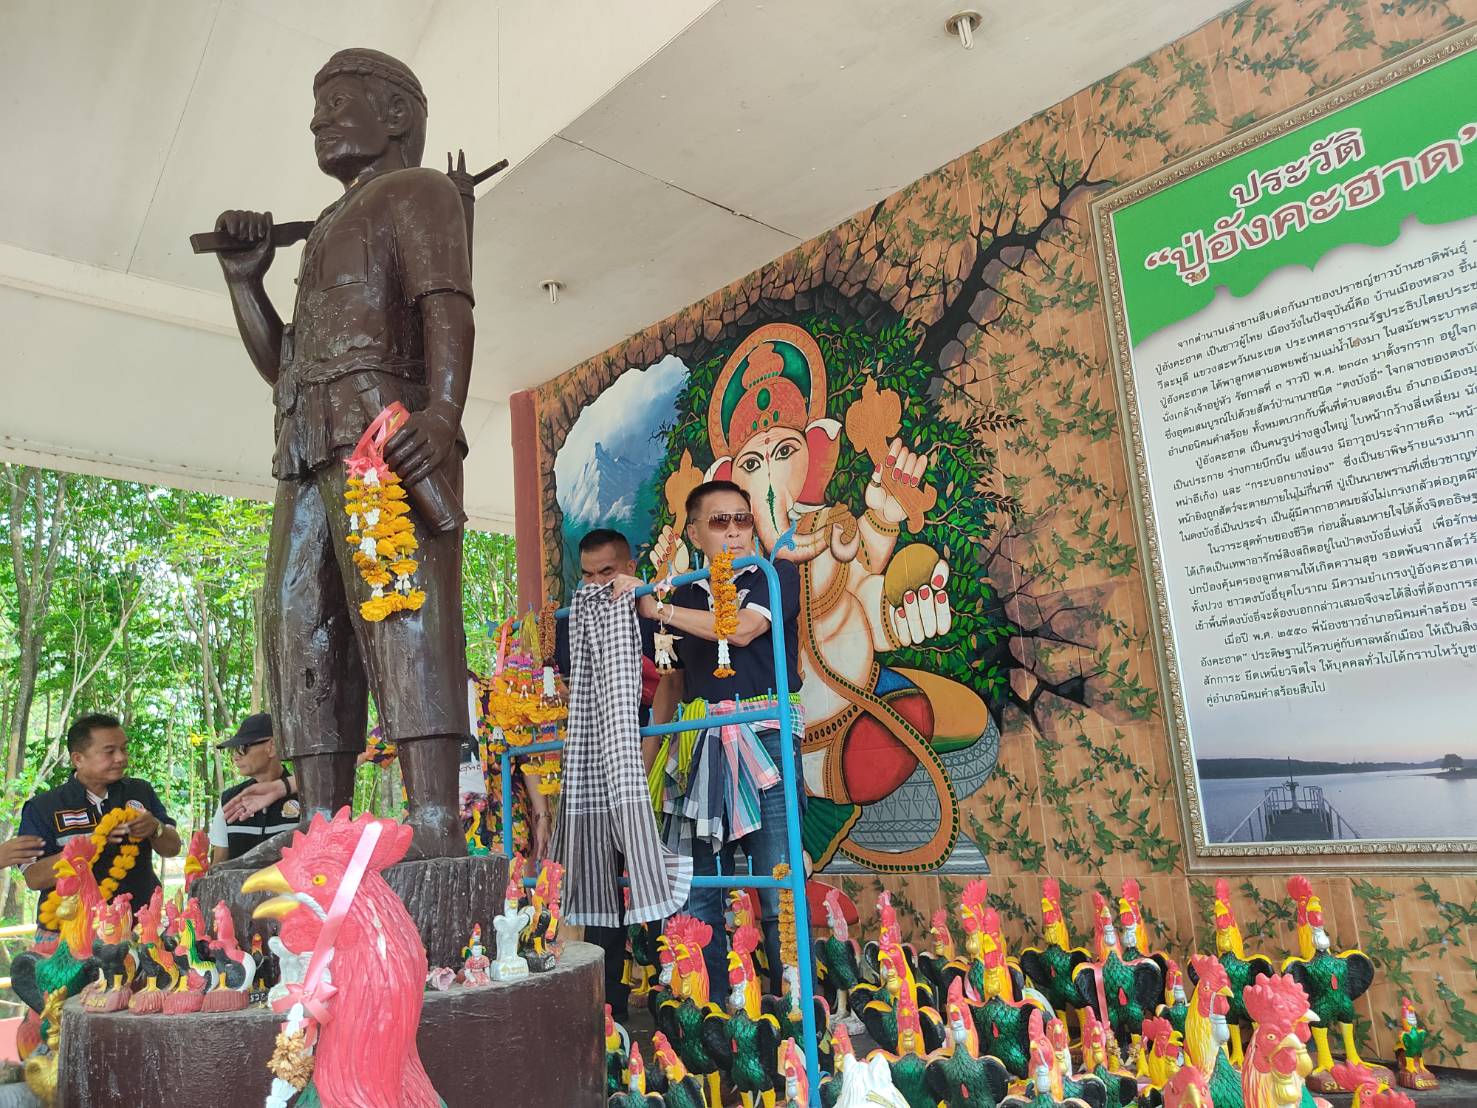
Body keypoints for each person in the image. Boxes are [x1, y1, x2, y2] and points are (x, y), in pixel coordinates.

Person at [212, 47, 474, 859]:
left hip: (384, 436)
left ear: (394, 114)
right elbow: (283, 363)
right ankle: (321, 822)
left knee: (404, 608)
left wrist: (443, 412)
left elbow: (448, 308)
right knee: (300, 621)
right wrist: (245, 281)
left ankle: (434, 816)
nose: (317, 122)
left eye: (335, 104)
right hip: (303, 443)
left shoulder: (419, 191)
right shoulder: (328, 224)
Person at [616, 479, 805, 994]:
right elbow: (671, 683)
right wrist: (645, 763)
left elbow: (742, 629)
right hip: (697, 744)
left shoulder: (775, 574)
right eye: (720, 521)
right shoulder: (680, 593)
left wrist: (659, 609)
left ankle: (795, 1012)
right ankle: (711, 1010)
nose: (735, 531)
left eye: (743, 519)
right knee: (697, 887)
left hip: (766, 738)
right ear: (695, 533)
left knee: (778, 882)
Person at [554, 527, 661, 1021]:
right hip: (596, 761)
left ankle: (667, 990)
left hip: (650, 751)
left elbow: (672, 682)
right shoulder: (573, 621)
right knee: (601, 876)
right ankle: (608, 1005)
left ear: (630, 567)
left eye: (607, 572)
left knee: (650, 868)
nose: (597, 584)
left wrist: (644, 755)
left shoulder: (650, 610)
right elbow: (573, 693)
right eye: (588, 575)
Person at [16, 713, 181, 927]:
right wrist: (92, 845)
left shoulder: (140, 791)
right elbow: (34, 877)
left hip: (139, 927)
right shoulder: (43, 807)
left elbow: (173, 848)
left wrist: (155, 828)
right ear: (78, 759)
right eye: (109, 751)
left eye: (124, 749)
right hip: (70, 932)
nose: (121, 758)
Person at [210, 713, 301, 863]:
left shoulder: (305, 798)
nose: (236, 757)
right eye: (234, 750)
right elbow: (218, 865)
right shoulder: (230, 801)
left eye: (243, 747)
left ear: (272, 746)